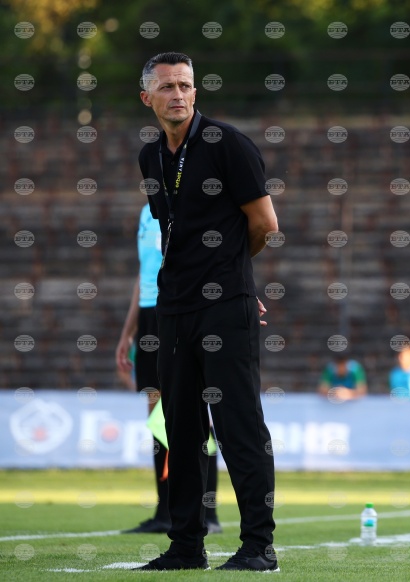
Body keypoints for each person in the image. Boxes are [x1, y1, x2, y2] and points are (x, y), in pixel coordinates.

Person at [133, 52, 279, 571]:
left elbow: (265, 224)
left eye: (185, 85)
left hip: (224, 308)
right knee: (180, 429)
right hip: (173, 309)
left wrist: (234, 276)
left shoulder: (228, 144)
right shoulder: (151, 157)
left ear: (196, 91)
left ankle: (258, 547)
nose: (178, 94)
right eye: (167, 86)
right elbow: (172, 231)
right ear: (147, 97)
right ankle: (186, 546)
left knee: (238, 426)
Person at [115, 203, 221, 535]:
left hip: (176, 308)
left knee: (192, 412)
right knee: (157, 417)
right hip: (149, 315)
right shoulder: (146, 212)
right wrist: (128, 332)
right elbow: (143, 275)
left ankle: (207, 512)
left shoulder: (183, 203)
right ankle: (166, 510)